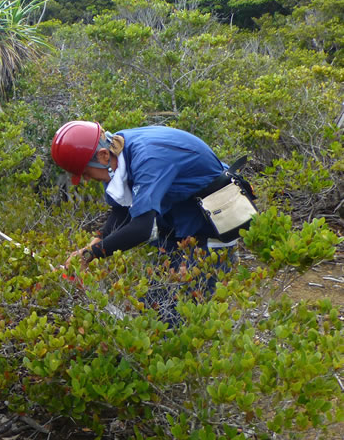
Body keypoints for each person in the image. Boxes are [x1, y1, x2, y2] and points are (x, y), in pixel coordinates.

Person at [50, 121, 241, 323]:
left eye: (86, 173)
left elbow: (141, 229)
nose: (87, 180)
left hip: (210, 227)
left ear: (103, 156)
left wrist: (90, 255)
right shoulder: (117, 149)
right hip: (176, 225)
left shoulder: (148, 158)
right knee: (152, 304)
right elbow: (122, 210)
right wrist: (95, 243)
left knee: (177, 317)